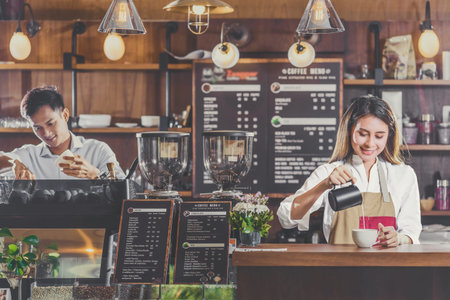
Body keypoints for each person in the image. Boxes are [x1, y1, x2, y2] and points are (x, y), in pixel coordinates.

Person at [277, 95, 422, 247]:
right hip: (339, 267)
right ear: (349, 130)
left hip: (387, 267)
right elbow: (286, 218)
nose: (370, 143)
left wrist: (399, 238)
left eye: (379, 136)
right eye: (363, 134)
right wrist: (324, 185)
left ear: (389, 136)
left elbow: (411, 232)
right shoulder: (328, 172)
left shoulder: (404, 175)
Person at [0, 86, 125, 179]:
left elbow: (124, 190)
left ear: (65, 115)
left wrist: (94, 174)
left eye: (50, 123)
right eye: (38, 128)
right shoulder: (29, 155)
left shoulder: (97, 150)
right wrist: (14, 163)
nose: (46, 133)